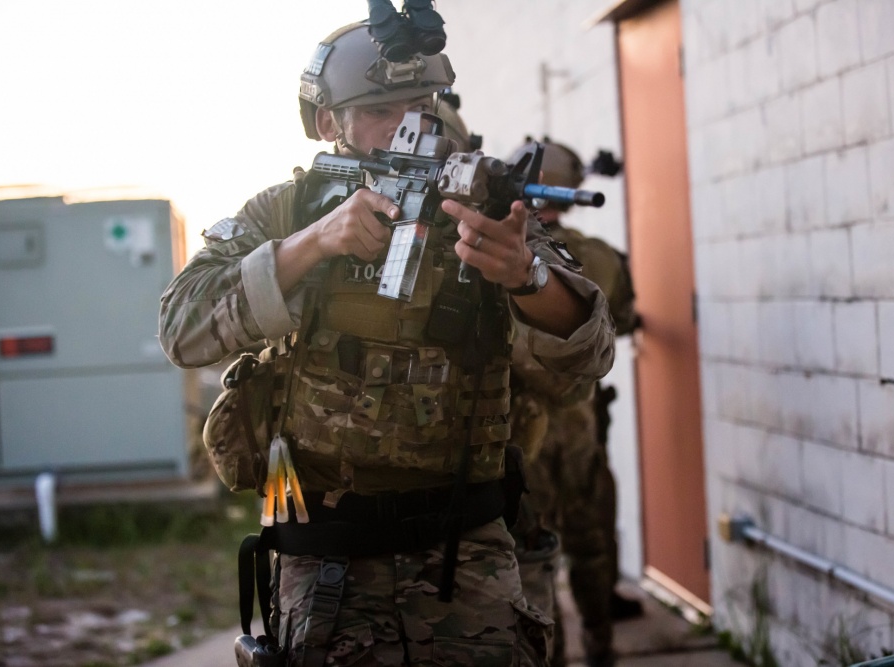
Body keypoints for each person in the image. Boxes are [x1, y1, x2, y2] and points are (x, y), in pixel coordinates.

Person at [157, 14, 615, 667]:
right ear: (328, 122)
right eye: (380, 110)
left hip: (466, 556)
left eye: (422, 106)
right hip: (325, 556)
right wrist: (312, 244)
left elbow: (590, 355)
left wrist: (525, 274)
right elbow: (181, 329)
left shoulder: (481, 211)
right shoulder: (289, 211)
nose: (411, 126)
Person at [508, 139, 641, 667]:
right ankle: (601, 648)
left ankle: (553, 657)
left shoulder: (500, 258)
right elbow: (623, 321)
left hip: (524, 433)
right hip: (581, 424)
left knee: (535, 555)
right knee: (591, 545)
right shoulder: (601, 256)